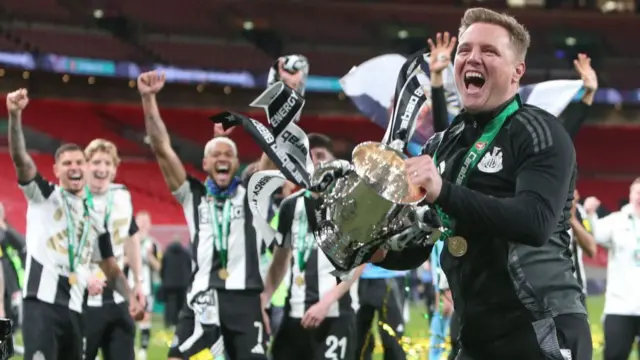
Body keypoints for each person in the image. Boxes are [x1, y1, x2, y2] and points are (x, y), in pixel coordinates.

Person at [371, 8, 591, 359]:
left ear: (518, 71)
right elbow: (422, 242)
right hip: (475, 338)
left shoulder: (539, 132)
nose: (473, 57)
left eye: (489, 51)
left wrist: (444, 190)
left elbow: (534, 222)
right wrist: (370, 248)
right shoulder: (442, 145)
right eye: (465, 49)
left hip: (541, 328)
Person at [138, 71, 269, 360]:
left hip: (244, 299)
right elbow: (161, 148)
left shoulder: (252, 194)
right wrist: (149, 99)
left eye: (229, 154)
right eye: (216, 154)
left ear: (237, 163)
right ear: (205, 163)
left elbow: (271, 154)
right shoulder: (192, 195)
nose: (223, 158)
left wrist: (282, 99)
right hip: (202, 296)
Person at [6, 88, 144, 360]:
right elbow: (21, 161)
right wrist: (14, 116)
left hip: (76, 307)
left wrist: (131, 298)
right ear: (56, 170)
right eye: (66, 163)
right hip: (40, 303)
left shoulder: (95, 215)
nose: (74, 167)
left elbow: (111, 267)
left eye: (79, 161)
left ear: (87, 167)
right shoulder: (43, 195)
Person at [261, 133, 364, 360]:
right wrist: (263, 300)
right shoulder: (290, 206)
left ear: (333, 162)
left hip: (336, 314)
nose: (315, 162)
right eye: (309, 157)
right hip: (295, 314)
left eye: (321, 156)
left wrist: (325, 303)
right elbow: (279, 262)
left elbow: (358, 263)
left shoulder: (350, 205)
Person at [82, 138, 145, 360]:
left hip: (118, 298)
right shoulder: (71, 198)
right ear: (85, 165)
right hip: (84, 300)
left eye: (108, 164)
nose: (102, 168)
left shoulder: (122, 196)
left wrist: (139, 282)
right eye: (96, 162)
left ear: (115, 169)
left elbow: (132, 239)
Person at [586, 178, 640, 360]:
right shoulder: (618, 220)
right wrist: (591, 214)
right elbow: (596, 234)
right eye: (636, 192)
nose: (639, 196)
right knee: (615, 355)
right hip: (620, 306)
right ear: (630, 194)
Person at [127, 211, 161, 360]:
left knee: (145, 317)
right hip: (128, 287)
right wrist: (130, 259)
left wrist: (149, 257)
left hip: (147, 288)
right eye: (140, 221)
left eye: (145, 221)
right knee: (128, 318)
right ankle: (131, 346)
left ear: (150, 224)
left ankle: (143, 349)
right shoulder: (126, 241)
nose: (142, 224)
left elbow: (159, 267)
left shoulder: (153, 244)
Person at [160, 237, 191, 329]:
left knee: (170, 304)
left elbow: (163, 268)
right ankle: (180, 321)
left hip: (169, 284)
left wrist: (164, 279)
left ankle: (170, 322)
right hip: (183, 283)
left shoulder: (167, 254)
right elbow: (189, 267)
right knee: (181, 304)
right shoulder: (186, 254)